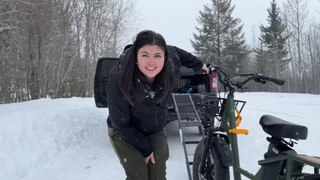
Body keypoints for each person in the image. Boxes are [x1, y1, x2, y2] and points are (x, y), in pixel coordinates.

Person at [106, 30, 208, 180]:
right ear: (136, 56)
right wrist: (145, 149)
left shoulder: (170, 67)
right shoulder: (119, 78)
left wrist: (200, 65)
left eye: (157, 56)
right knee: (139, 174)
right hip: (124, 131)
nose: (152, 62)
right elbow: (120, 123)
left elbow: (179, 52)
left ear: (165, 57)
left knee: (158, 176)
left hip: (154, 128)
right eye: (145, 55)